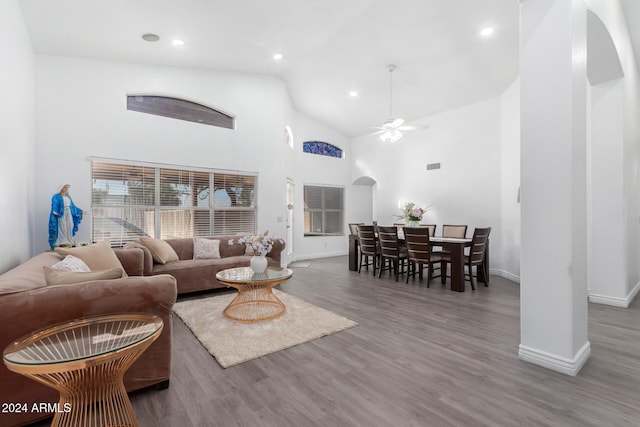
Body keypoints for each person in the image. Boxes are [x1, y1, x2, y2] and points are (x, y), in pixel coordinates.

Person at [48, 184, 85, 249]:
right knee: (62, 226)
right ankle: (63, 241)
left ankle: (69, 239)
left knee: (70, 225)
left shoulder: (68, 197)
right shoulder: (56, 197)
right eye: (65, 187)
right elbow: (54, 204)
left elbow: (73, 206)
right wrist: (54, 210)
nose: (67, 188)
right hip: (61, 213)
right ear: (61, 188)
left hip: (69, 212)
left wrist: (80, 211)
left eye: (67, 187)